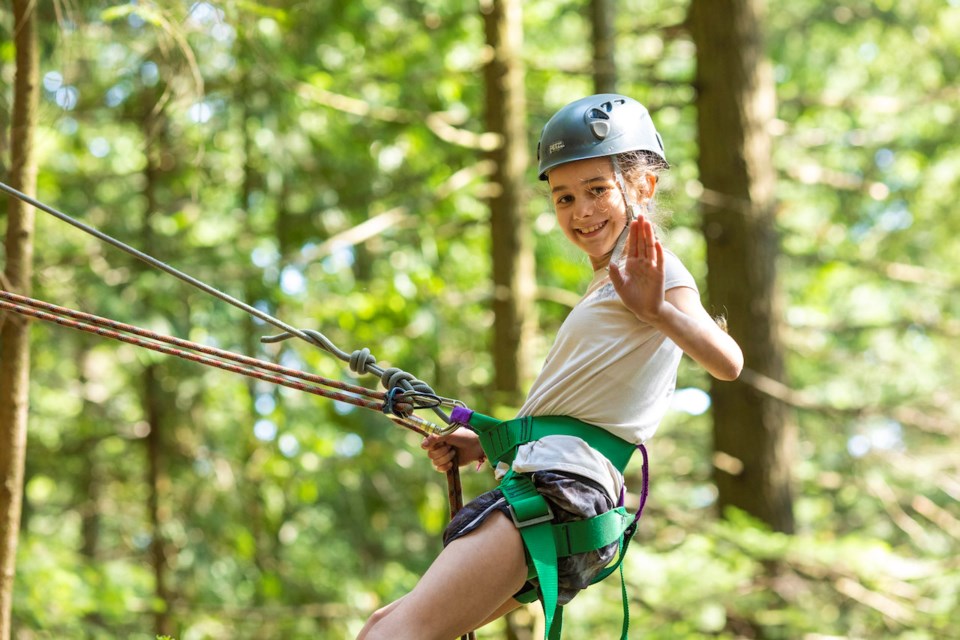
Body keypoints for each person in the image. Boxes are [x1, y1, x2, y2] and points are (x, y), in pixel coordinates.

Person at [357, 94, 743, 640]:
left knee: (392, 636)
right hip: (557, 484)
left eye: (596, 190)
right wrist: (488, 442)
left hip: (562, 490)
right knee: (386, 626)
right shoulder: (606, 285)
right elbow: (574, 412)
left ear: (644, 187)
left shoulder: (648, 272)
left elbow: (728, 362)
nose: (581, 211)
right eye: (564, 197)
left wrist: (656, 308)